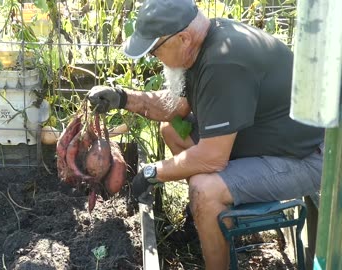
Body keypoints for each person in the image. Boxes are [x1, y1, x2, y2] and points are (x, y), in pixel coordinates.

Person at [86, 0, 325, 268]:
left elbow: (212, 159)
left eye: (155, 51)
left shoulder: (225, 63)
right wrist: (121, 97)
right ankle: (210, 222)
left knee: (205, 189)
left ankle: (215, 248)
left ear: (183, 38)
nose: (154, 58)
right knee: (173, 130)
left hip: (303, 158)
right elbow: (174, 107)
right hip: (262, 142)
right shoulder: (206, 44)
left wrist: (152, 173)